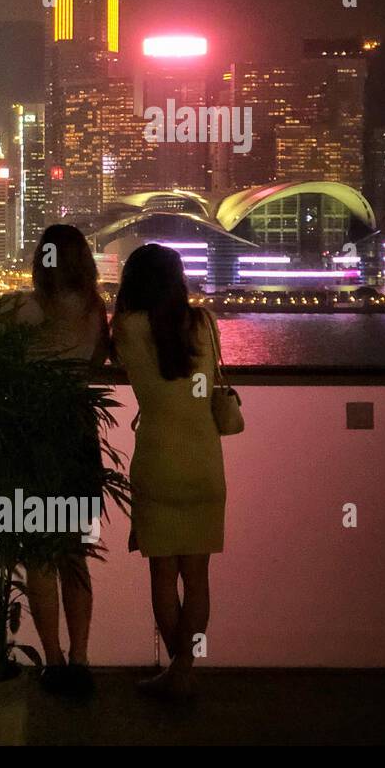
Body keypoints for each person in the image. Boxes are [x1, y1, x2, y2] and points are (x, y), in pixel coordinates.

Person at [111, 243, 226, 701]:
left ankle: (177, 672)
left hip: (157, 459)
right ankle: (184, 669)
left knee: (162, 575)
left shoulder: (125, 327)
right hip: (204, 461)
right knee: (197, 576)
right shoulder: (203, 321)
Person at [3, 224, 109, 699]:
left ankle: (54, 660)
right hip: (76, 435)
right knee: (75, 554)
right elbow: (96, 366)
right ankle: (82, 656)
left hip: (31, 438)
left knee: (40, 555)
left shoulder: (22, 309)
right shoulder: (93, 311)